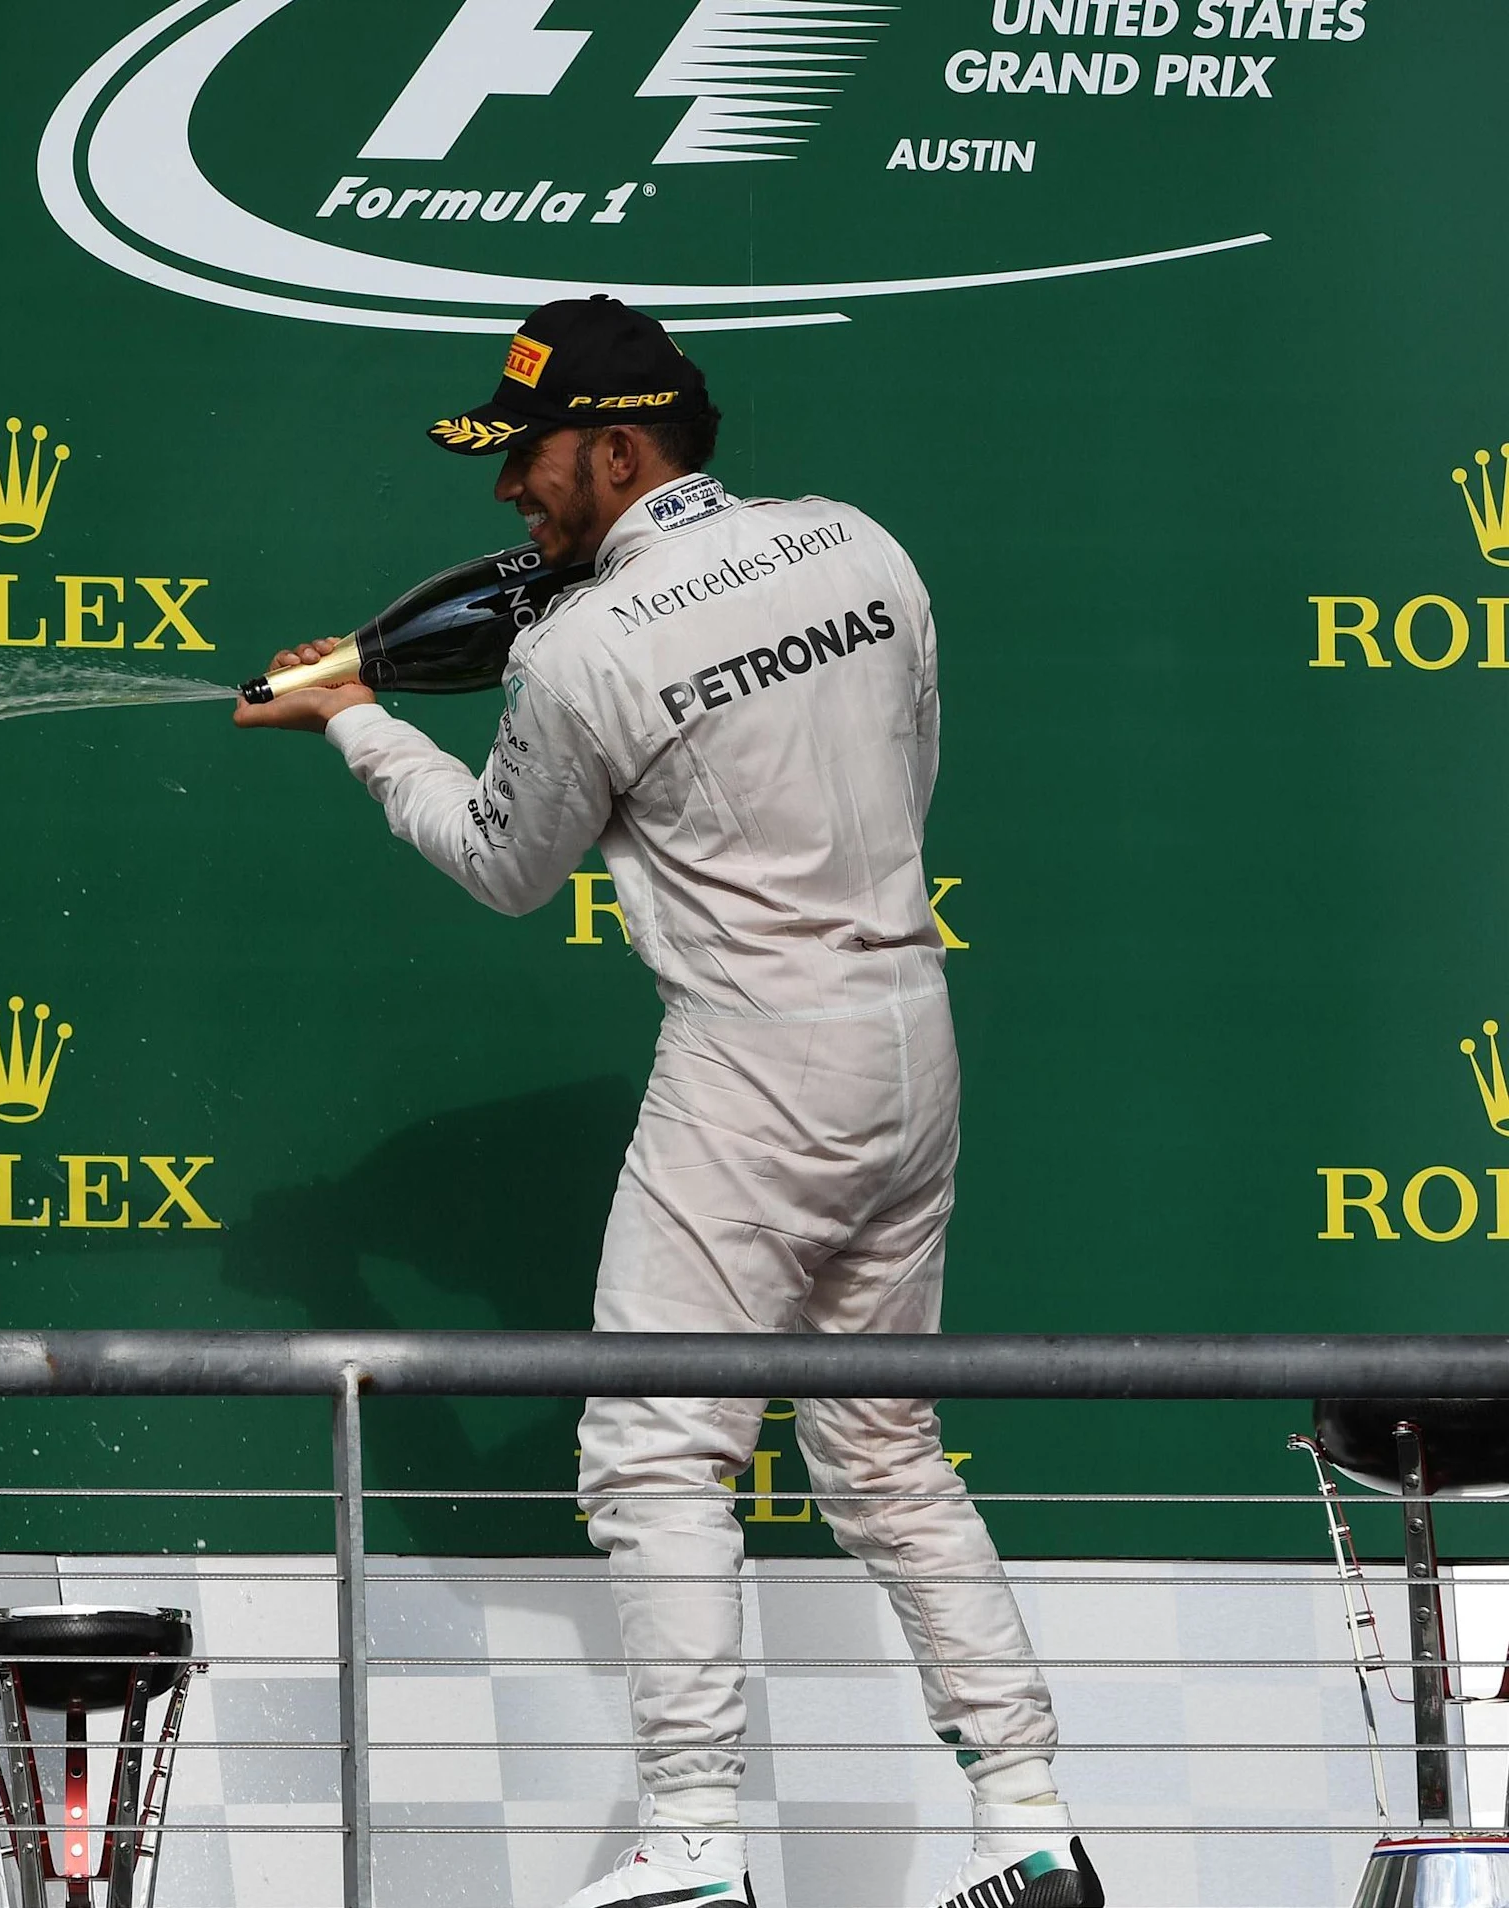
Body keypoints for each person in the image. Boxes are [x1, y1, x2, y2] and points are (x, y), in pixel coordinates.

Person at [235, 297, 1091, 1908]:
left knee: (649, 1449)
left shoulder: (585, 647)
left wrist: (355, 723)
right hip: (911, 1031)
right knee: (888, 1454)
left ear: (618, 447)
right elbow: (903, 759)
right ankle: (1030, 1827)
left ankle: (693, 1849)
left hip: (760, 1054)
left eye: (530, 455)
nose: (507, 490)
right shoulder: (858, 541)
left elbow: (506, 866)